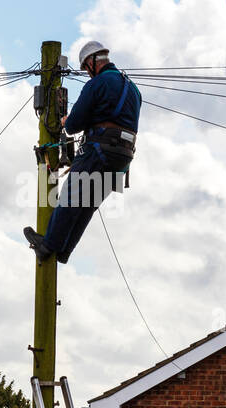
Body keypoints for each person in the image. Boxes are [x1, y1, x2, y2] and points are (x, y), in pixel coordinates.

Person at [24, 41, 141, 264]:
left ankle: (48, 245)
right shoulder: (133, 89)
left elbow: (74, 125)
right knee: (87, 205)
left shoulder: (98, 83)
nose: (87, 74)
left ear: (91, 63)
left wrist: (67, 120)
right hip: (123, 158)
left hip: (99, 149)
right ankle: (64, 251)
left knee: (71, 197)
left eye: (86, 69)